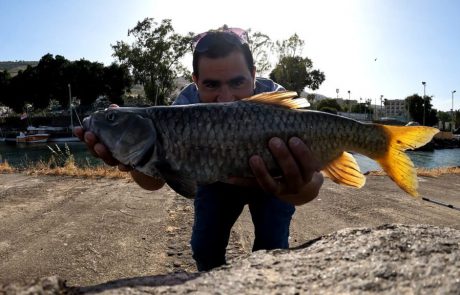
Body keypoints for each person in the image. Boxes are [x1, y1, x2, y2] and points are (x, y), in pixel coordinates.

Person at [74, 27, 324, 272]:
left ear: (254, 75)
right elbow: (154, 182)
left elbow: (311, 186)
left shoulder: (278, 100)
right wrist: (130, 158)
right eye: (211, 85)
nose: (226, 98)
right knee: (204, 249)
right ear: (195, 82)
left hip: (273, 180)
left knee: (272, 252)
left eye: (238, 82)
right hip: (215, 180)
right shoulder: (182, 107)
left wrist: (296, 187)